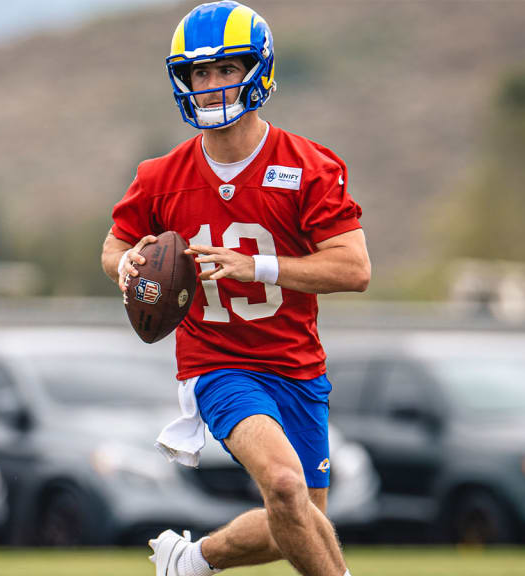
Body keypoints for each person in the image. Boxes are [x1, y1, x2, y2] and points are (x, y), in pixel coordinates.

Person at [101, 3, 370, 575]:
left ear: (260, 70)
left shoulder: (308, 166)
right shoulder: (160, 176)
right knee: (282, 481)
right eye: (200, 73)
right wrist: (125, 264)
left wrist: (260, 267)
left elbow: (354, 269)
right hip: (217, 363)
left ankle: (191, 559)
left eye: (227, 68)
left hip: (297, 367)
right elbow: (114, 246)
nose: (212, 84)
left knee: (295, 518)